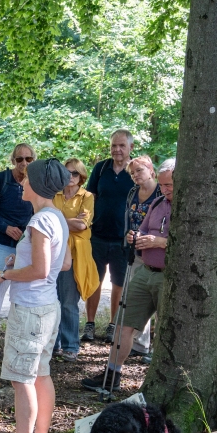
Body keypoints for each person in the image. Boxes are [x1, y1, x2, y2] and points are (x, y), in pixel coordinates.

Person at [0, 158, 71, 433]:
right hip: (48, 307)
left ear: (36, 186)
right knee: (41, 373)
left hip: (31, 310)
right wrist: (18, 262)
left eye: (26, 179)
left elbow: (40, 269)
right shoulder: (57, 217)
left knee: (21, 379)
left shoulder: (39, 222)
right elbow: (61, 264)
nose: (21, 182)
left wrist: (5, 276)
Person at [82, 159, 174, 393]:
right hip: (145, 270)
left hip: (170, 276)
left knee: (168, 328)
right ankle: (112, 374)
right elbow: (142, 229)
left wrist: (161, 242)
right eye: (163, 186)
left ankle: (163, 381)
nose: (166, 190)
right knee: (125, 323)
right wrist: (135, 236)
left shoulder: (189, 206)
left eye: (170, 185)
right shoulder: (157, 204)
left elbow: (195, 242)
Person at [0, 143, 37, 353]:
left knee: (24, 288)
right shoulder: (1, 179)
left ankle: (22, 331)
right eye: (19, 159)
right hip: (3, 242)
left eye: (28, 159)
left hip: (28, 244)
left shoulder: (36, 182)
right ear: (13, 160)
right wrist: (5, 227)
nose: (24, 163)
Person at [83, 129, 135, 343]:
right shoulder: (101, 168)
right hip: (97, 235)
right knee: (94, 281)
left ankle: (113, 324)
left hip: (123, 238)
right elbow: (89, 197)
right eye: (114, 145)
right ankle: (90, 323)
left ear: (131, 147)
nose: (117, 149)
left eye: (122, 145)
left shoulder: (135, 170)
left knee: (118, 283)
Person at [51, 158, 98, 362]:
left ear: (82, 176)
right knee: (52, 299)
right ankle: (54, 344)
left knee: (69, 301)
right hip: (53, 251)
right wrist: (68, 221)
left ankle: (71, 346)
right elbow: (46, 218)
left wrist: (58, 219)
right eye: (67, 173)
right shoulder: (54, 195)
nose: (70, 177)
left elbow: (81, 225)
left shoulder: (87, 196)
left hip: (76, 253)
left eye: (75, 173)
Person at [122, 155, 162, 359]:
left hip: (158, 253)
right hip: (136, 250)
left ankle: (155, 348)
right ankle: (139, 343)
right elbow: (128, 219)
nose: (135, 175)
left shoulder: (162, 192)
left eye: (139, 170)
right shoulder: (132, 193)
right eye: (132, 173)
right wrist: (128, 238)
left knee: (157, 301)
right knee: (137, 297)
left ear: (151, 170)